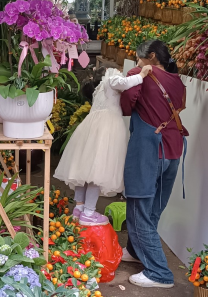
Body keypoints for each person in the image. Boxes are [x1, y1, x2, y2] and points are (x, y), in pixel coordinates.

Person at [120, 38, 188, 288]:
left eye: (139, 57)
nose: (137, 62)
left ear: (150, 57)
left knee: (138, 209)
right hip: (173, 150)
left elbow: (127, 105)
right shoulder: (178, 80)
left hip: (148, 150)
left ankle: (159, 273)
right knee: (152, 210)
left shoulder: (138, 74)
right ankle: (137, 251)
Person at [54, 63, 152, 225]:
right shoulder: (110, 80)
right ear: (108, 71)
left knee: (84, 170)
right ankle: (89, 211)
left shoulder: (98, 88)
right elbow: (124, 83)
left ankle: (79, 207)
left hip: (90, 128)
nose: (120, 73)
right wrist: (141, 75)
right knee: (98, 171)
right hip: (106, 129)